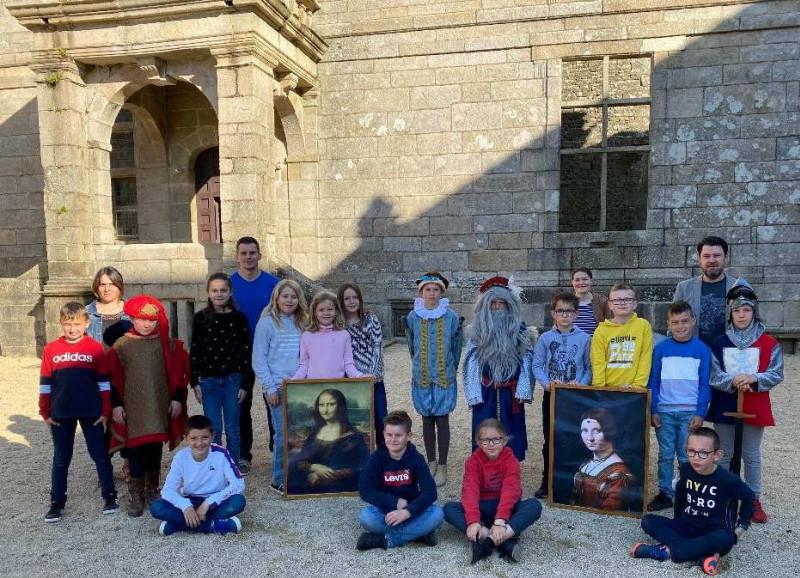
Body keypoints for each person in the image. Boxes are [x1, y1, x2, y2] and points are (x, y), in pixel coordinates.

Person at [631, 427, 754, 577]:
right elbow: (681, 493)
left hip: (713, 532)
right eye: (691, 451)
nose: (696, 457)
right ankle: (702, 556)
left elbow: (749, 497)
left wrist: (742, 526)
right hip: (687, 526)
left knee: (727, 538)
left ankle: (667, 551)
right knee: (648, 521)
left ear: (717, 455)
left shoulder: (727, 479)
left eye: (703, 453)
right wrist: (678, 519)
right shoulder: (686, 469)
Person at [108, 295, 189, 517]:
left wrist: (177, 398)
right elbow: (112, 378)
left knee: (154, 447)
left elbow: (178, 375)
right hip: (133, 406)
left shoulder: (166, 342)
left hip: (159, 403)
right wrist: (115, 405)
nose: (146, 324)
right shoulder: (121, 345)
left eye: (151, 320)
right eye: (141, 319)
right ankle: (137, 494)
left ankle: (153, 488)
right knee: (135, 450)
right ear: (132, 318)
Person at [708, 285, 783, 524]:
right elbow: (713, 373)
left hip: (754, 402)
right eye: (737, 310)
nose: (741, 314)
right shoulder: (719, 342)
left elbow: (776, 373)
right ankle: (722, 495)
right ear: (730, 312)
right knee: (725, 453)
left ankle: (753, 500)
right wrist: (734, 380)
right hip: (726, 401)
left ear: (753, 312)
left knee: (751, 455)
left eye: (746, 310)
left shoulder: (769, 342)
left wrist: (754, 378)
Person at [39, 302, 118, 522]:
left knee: (99, 455)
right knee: (62, 458)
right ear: (61, 324)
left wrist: (106, 410)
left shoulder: (95, 349)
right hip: (61, 411)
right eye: (67, 324)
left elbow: (103, 382)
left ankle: (110, 495)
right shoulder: (51, 350)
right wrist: (44, 411)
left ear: (86, 323)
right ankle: (56, 502)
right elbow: (45, 383)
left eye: (76, 324)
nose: (72, 328)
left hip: (91, 409)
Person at [443, 419, 542, 564]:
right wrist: (473, 521)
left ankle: (486, 542)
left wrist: (500, 521)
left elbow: (511, 491)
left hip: (506, 510)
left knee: (534, 506)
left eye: (496, 439)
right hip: (482, 508)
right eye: (485, 440)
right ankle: (504, 539)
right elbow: (470, 492)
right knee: (449, 509)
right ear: (478, 442)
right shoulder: (473, 461)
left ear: (504, 440)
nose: (491, 444)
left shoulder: (511, 460)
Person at [647, 301, 712, 512]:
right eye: (675, 322)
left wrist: (700, 412)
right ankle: (665, 491)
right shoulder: (661, 349)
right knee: (665, 453)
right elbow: (654, 381)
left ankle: (686, 491)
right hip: (664, 411)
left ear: (693, 321)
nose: (680, 326)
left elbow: (705, 383)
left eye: (685, 321)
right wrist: (653, 409)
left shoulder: (702, 350)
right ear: (668, 323)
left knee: (686, 454)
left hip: (689, 411)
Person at [463, 276, 535, 464]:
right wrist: (473, 393)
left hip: (510, 393)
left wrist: (523, 388)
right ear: (486, 305)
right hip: (485, 390)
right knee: (484, 427)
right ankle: (484, 466)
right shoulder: (476, 331)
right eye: (493, 303)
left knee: (511, 428)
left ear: (509, 304)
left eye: (501, 303)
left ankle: (510, 465)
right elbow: (471, 361)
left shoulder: (520, 329)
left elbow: (527, 359)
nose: (497, 307)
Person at [405, 271, 464, 486]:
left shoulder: (451, 317)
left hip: (443, 375)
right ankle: (430, 461)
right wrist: (420, 365)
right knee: (426, 419)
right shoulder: (413, 317)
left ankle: (442, 465)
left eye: (436, 289)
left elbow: (457, 347)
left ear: (441, 292)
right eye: (428, 289)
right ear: (421, 292)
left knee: (442, 419)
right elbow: (411, 346)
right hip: (421, 375)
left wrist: (449, 368)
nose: (432, 293)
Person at [357, 410, 444, 551]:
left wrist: (407, 511)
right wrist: (393, 502)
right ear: (383, 434)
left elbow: (430, 492)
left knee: (437, 514)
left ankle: (386, 540)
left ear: (408, 436)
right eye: (389, 434)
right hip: (386, 513)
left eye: (398, 435)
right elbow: (365, 490)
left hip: (411, 511)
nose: (393, 439)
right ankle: (418, 534)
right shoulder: (376, 459)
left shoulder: (416, 458)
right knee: (366, 517)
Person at [532, 291, 591, 498]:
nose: (564, 315)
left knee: (575, 436)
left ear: (575, 314)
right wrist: (547, 384)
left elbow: (588, 366)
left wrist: (581, 384)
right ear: (553, 314)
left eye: (569, 311)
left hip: (575, 396)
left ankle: (575, 481)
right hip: (553, 395)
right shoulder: (545, 338)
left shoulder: (584, 338)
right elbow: (537, 365)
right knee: (551, 437)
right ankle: (547, 480)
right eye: (560, 311)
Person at [189, 273, 251, 468]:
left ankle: (232, 467)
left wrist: (245, 383)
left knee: (233, 428)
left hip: (233, 380)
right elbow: (195, 352)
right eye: (215, 290)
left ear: (230, 292)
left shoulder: (239, 319)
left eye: (223, 290)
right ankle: (216, 467)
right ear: (208, 293)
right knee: (214, 427)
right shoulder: (201, 318)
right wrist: (195, 381)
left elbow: (245, 353)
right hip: (209, 382)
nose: (219, 294)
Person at [252, 278, 308, 493]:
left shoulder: (303, 322)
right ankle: (278, 477)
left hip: (300, 385)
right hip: (277, 386)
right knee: (282, 433)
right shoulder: (267, 322)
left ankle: (297, 472)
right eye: (285, 296)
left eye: (294, 296)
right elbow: (259, 358)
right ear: (277, 297)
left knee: (301, 431)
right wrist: (269, 387)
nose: (290, 300)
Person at [230, 236, 280, 474]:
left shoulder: (274, 284)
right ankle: (243, 454)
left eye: (252, 253)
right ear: (237, 256)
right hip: (240, 353)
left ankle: (277, 447)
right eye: (244, 253)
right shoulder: (229, 285)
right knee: (242, 404)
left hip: (271, 351)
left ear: (260, 255)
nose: (248, 257)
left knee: (275, 398)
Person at [150, 415, 245, 536]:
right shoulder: (180, 457)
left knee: (238, 501)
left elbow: (238, 483)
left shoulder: (221, 454)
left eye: (204, 437)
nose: (199, 443)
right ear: (186, 439)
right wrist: (185, 506)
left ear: (212, 436)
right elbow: (167, 490)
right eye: (193, 438)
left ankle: (178, 525)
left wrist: (208, 503)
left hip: (215, 502)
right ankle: (214, 525)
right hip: (190, 499)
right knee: (157, 507)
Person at [287, 388, 370, 494]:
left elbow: (360, 466)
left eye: (331, 404)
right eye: (321, 405)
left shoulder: (353, 437)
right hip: (310, 483)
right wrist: (314, 467)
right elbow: (301, 459)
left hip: (341, 488)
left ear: (340, 406)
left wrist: (325, 475)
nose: (325, 410)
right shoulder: (314, 434)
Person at [674, 236, 749, 346]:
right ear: (699, 259)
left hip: (730, 355)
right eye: (706, 256)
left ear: (726, 258)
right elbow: (674, 323)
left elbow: (751, 324)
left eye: (717, 256)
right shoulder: (684, 288)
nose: (712, 260)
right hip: (694, 355)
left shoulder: (740, 288)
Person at [338, 282, 387, 446]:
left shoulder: (371, 319)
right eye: (347, 298)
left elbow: (377, 346)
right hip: (352, 381)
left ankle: (383, 455)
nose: (351, 301)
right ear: (341, 301)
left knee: (381, 419)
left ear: (360, 299)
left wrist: (372, 374)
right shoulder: (340, 325)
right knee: (357, 423)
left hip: (374, 379)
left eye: (354, 297)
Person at [571, 408, 635, 511]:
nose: (590, 438)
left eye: (597, 431)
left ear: (609, 431)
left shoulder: (618, 474)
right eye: (585, 431)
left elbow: (610, 510)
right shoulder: (585, 466)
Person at [292, 290, 365, 380]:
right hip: (313, 388)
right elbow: (303, 366)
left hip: (337, 387)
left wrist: (360, 376)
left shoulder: (344, 335)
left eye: (330, 309)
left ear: (336, 311)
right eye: (321, 310)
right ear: (315, 312)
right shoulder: (307, 336)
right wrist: (292, 382)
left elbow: (348, 365)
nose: (326, 313)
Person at [591, 283, 653, 388]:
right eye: (617, 300)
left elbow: (645, 358)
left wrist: (638, 386)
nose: (622, 303)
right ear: (610, 305)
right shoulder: (601, 331)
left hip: (634, 389)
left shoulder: (643, 326)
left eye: (628, 299)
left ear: (634, 304)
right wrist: (600, 388)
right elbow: (598, 362)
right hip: (607, 390)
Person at [86, 266, 131, 347]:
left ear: (119, 286)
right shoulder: (86, 312)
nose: (107, 289)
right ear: (96, 287)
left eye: (111, 284)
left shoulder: (131, 312)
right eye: (102, 285)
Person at [571, 267, 609, 336]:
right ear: (572, 282)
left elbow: (611, 324)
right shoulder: (566, 302)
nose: (581, 283)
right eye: (577, 280)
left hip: (596, 345)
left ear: (591, 281)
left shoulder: (602, 301)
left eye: (585, 279)